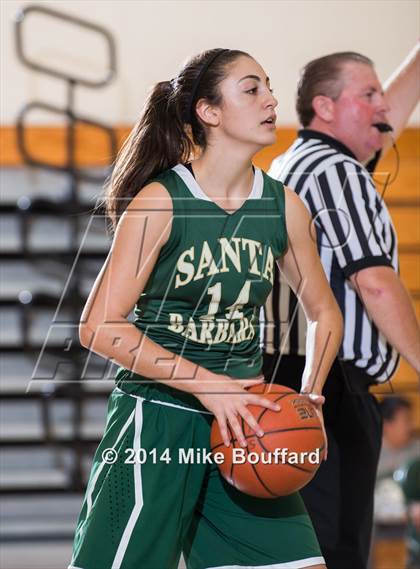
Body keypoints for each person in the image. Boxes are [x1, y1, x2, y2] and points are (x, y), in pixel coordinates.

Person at [69, 48, 343, 569]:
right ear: (208, 111)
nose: (271, 100)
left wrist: (309, 395)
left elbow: (324, 313)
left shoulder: (283, 204)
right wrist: (208, 386)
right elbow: (98, 326)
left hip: (250, 427)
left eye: (268, 86)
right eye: (251, 89)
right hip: (159, 422)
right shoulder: (162, 200)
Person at [264, 44, 420, 569]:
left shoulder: (294, 162)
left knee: (301, 548)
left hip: (286, 379)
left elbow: (384, 121)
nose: (382, 107)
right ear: (325, 109)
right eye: (368, 94)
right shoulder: (336, 172)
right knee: (336, 550)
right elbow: (374, 282)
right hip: (330, 384)